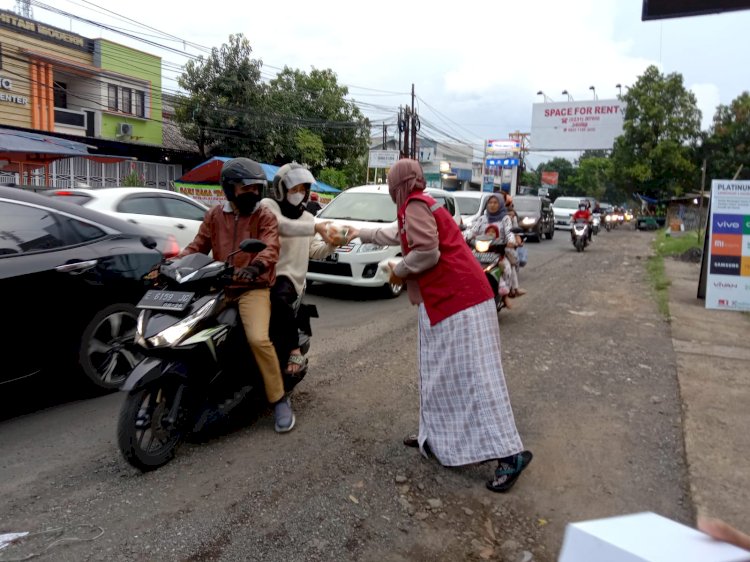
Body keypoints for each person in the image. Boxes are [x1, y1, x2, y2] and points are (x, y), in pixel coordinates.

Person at [345, 159, 532, 492]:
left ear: (401, 184)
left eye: (391, 182)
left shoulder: (416, 206)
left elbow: (427, 254)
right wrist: (353, 231)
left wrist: (398, 270)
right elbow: (391, 232)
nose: (390, 187)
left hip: (460, 302)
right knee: (438, 375)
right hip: (448, 301)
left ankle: (510, 455)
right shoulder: (416, 205)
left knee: (475, 377)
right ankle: (436, 437)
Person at [179, 157, 295, 433]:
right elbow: (197, 247)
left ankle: (278, 399)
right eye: (247, 189)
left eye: (256, 189)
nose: (253, 194)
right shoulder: (214, 215)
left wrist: (254, 267)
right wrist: (170, 265)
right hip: (219, 286)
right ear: (230, 189)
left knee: (258, 338)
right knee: (190, 333)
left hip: (251, 288)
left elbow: (270, 247)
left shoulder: (263, 215)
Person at [260, 163, 338, 376]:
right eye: (294, 189)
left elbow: (314, 251)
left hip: (289, 278)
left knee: (279, 298)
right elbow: (279, 224)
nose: (299, 194)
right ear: (281, 189)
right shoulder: (268, 206)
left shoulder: (308, 218)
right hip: (261, 272)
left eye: (302, 189)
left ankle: (293, 348)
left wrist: (333, 244)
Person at [470, 194, 526, 298]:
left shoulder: (505, 219)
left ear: (500, 204)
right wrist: (463, 237)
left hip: (499, 250)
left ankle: (507, 290)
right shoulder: (482, 219)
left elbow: (509, 232)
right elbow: (473, 231)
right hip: (481, 251)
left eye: (495, 203)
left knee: (507, 268)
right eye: (490, 203)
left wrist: (511, 241)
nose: (492, 205)